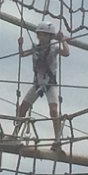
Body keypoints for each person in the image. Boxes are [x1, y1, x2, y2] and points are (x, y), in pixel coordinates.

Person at [16, 20, 70, 151]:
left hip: (50, 84)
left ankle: (57, 140)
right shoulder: (36, 48)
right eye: (40, 34)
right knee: (22, 109)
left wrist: (62, 40)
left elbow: (66, 53)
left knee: (53, 111)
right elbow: (22, 55)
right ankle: (15, 134)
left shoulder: (54, 48)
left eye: (45, 35)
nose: (41, 37)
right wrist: (20, 45)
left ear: (50, 37)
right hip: (37, 84)